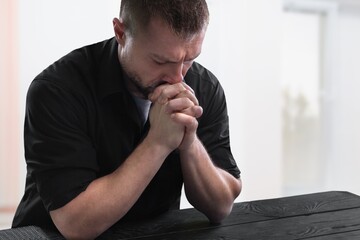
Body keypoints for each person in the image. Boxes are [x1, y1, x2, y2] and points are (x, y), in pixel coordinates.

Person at [12, 0, 242, 239]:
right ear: (120, 33)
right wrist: (158, 142)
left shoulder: (204, 86)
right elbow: (76, 225)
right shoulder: (57, 90)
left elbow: (221, 205)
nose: (177, 78)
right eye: (160, 61)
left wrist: (189, 141)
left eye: (188, 59)